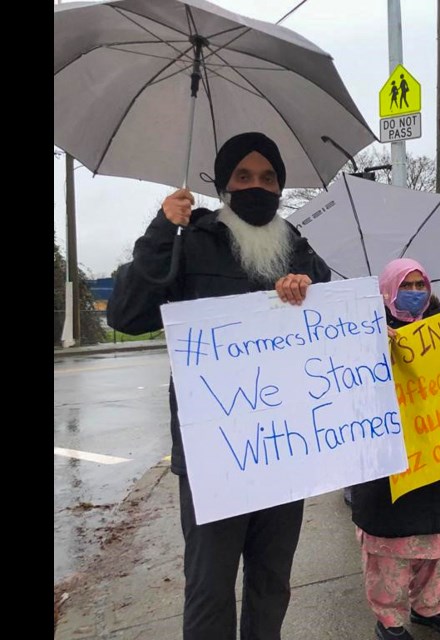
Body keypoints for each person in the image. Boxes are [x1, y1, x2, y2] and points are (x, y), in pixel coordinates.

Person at [108, 132, 331, 640]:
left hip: (284, 447)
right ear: (224, 184)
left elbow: (332, 326)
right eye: (244, 177)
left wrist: (307, 289)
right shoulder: (192, 238)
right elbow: (128, 313)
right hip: (214, 453)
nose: (258, 186)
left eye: (269, 177)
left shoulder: (297, 245)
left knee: (272, 581)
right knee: (209, 585)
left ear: (281, 185)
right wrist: (162, 227)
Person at [351, 258, 440, 640]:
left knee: (438, 540)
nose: (415, 293)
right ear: (387, 289)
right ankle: (389, 617)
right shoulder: (362, 332)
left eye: (421, 285)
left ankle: (429, 606)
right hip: (390, 461)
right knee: (391, 547)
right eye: (406, 285)